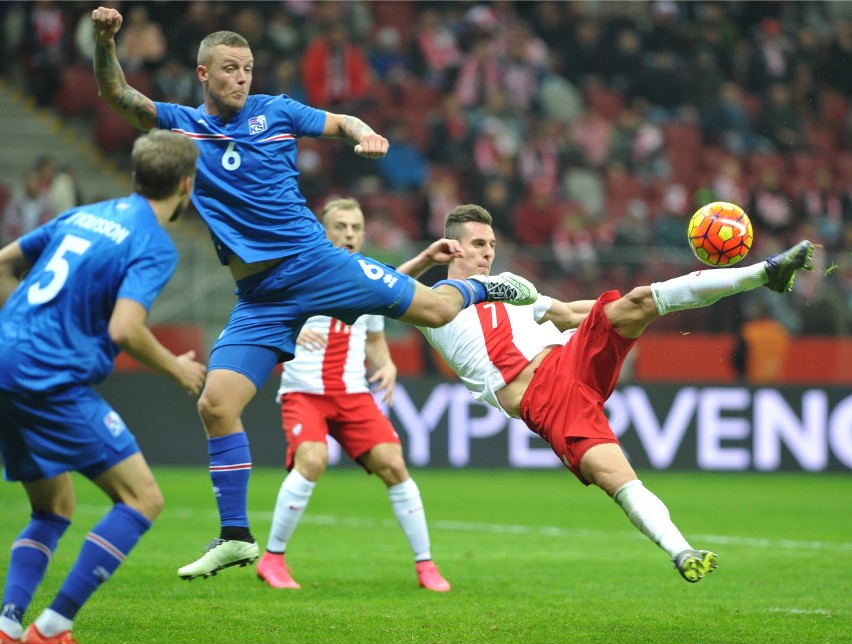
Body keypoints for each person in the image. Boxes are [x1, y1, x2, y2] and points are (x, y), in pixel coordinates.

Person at [90, 7, 537, 581]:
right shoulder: (182, 125)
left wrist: (362, 133)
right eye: (230, 69)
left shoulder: (275, 112)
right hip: (259, 296)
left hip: (314, 262)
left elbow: (341, 120)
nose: (242, 77)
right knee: (215, 403)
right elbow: (118, 94)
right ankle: (235, 536)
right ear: (204, 75)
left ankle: (488, 285)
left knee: (436, 306)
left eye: (248, 67)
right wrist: (106, 43)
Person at [398, 203, 816, 583]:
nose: (488, 252)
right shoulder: (433, 304)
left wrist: (612, 308)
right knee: (614, 477)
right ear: (452, 247)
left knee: (640, 300)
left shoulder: (511, 284)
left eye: (491, 243)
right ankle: (682, 550)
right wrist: (423, 259)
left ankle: (765, 272)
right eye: (477, 244)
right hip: (546, 402)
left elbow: (566, 314)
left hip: (571, 357)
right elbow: (381, 289)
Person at [0, 130, 206, 644]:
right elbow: (126, 330)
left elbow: (3, 263)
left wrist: (21, 328)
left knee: (53, 508)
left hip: (5, 363)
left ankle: (7, 626)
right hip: (48, 379)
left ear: (137, 175)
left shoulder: (85, 215)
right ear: (187, 184)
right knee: (142, 498)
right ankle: (51, 630)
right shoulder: (152, 243)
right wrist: (177, 369)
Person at [258, 198, 450, 592]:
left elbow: (375, 338)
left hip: (353, 394)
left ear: (363, 234)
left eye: (356, 227)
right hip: (305, 392)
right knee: (313, 458)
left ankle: (426, 565)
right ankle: (272, 559)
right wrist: (288, 331)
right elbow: (258, 316)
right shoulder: (298, 272)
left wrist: (387, 363)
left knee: (393, 464)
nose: (349, 233)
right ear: (323, 231)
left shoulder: (369, 279)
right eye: (340, 226)